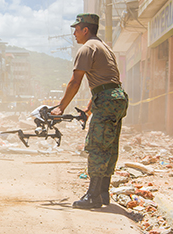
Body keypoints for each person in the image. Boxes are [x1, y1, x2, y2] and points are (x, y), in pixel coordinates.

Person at [51, 13, 128, 209]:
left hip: (107, 99)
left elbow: (75, 81)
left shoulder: (87, 48)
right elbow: (106, 83)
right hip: (117, 99)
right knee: (109, 146)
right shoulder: (104, 48)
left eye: (76, 30)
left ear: (86, 30)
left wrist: (61, 107)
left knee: (97, 146)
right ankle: (103, 193)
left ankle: (93, 196)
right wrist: (87, 110)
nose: (74, 34)